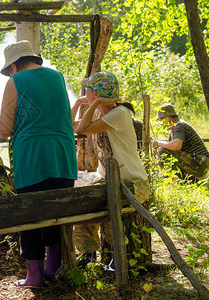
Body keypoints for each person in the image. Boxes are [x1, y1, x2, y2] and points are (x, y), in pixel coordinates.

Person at [0, 40, 78, 287]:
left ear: (13, 66)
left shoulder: (16, 81)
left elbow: (3, 129)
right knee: (56, 209)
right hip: (63, 153)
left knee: (30, 213)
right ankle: (53, 267)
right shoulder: (57, 77)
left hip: (33, 155)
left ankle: (34, 276)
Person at [72, 71, 150, 274]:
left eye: (88, 90)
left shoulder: (120, 114)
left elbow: (83, 129)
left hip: (134, 183)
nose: (85, 92)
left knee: (108, 203)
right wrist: (80, 103)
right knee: (83, 203)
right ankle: (88, 255)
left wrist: (93, 102)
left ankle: (118, 260)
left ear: (98, 94)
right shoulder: (98, 112)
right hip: (108, 180)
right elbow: (70, 126)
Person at [151, 103, 209, 179]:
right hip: (199, 164)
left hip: (199, 163)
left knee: (164, 151)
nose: (161, 124)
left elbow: (176, 146)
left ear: (167, 118)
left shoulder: (178, 126)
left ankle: (168, 180)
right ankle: (186, 181)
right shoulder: (177, 126)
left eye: (161, 120)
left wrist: (159, 143)